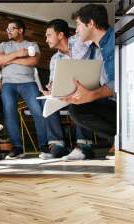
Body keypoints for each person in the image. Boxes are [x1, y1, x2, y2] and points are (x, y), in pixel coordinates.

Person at [60, 4, 116, 160]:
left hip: (130, 107)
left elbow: (118, 82)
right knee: (77, 108)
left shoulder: (114, 42)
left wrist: (93, 95)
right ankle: (119, 138)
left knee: (81, 106)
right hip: (112, 103)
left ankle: (125, 140)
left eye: (78, 24)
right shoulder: (94, 49)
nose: (76, 30)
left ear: (90, 23)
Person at [39, 19, 95, 160]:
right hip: (66, 93)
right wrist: (51, 88)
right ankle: (57, 146)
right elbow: (53, 80)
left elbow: (93, 35)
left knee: (80, 97)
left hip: (88, 88)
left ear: (60, 35)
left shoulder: (79, 40)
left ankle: (84, 146)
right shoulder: (54, 59)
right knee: (46, 101)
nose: (46, 40)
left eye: (48, 35)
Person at [0, 19, 49, 159]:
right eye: (7, 29)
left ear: (20, 30)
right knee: (9, 112)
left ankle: (44, 147)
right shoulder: (3, 45)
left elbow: (33, 61)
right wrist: (18, 54)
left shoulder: (31, 45)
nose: (8, 31)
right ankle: (17, 148)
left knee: (38, 111)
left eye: (12, 28)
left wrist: (10, 60)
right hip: (8, 84)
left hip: (28, 83)